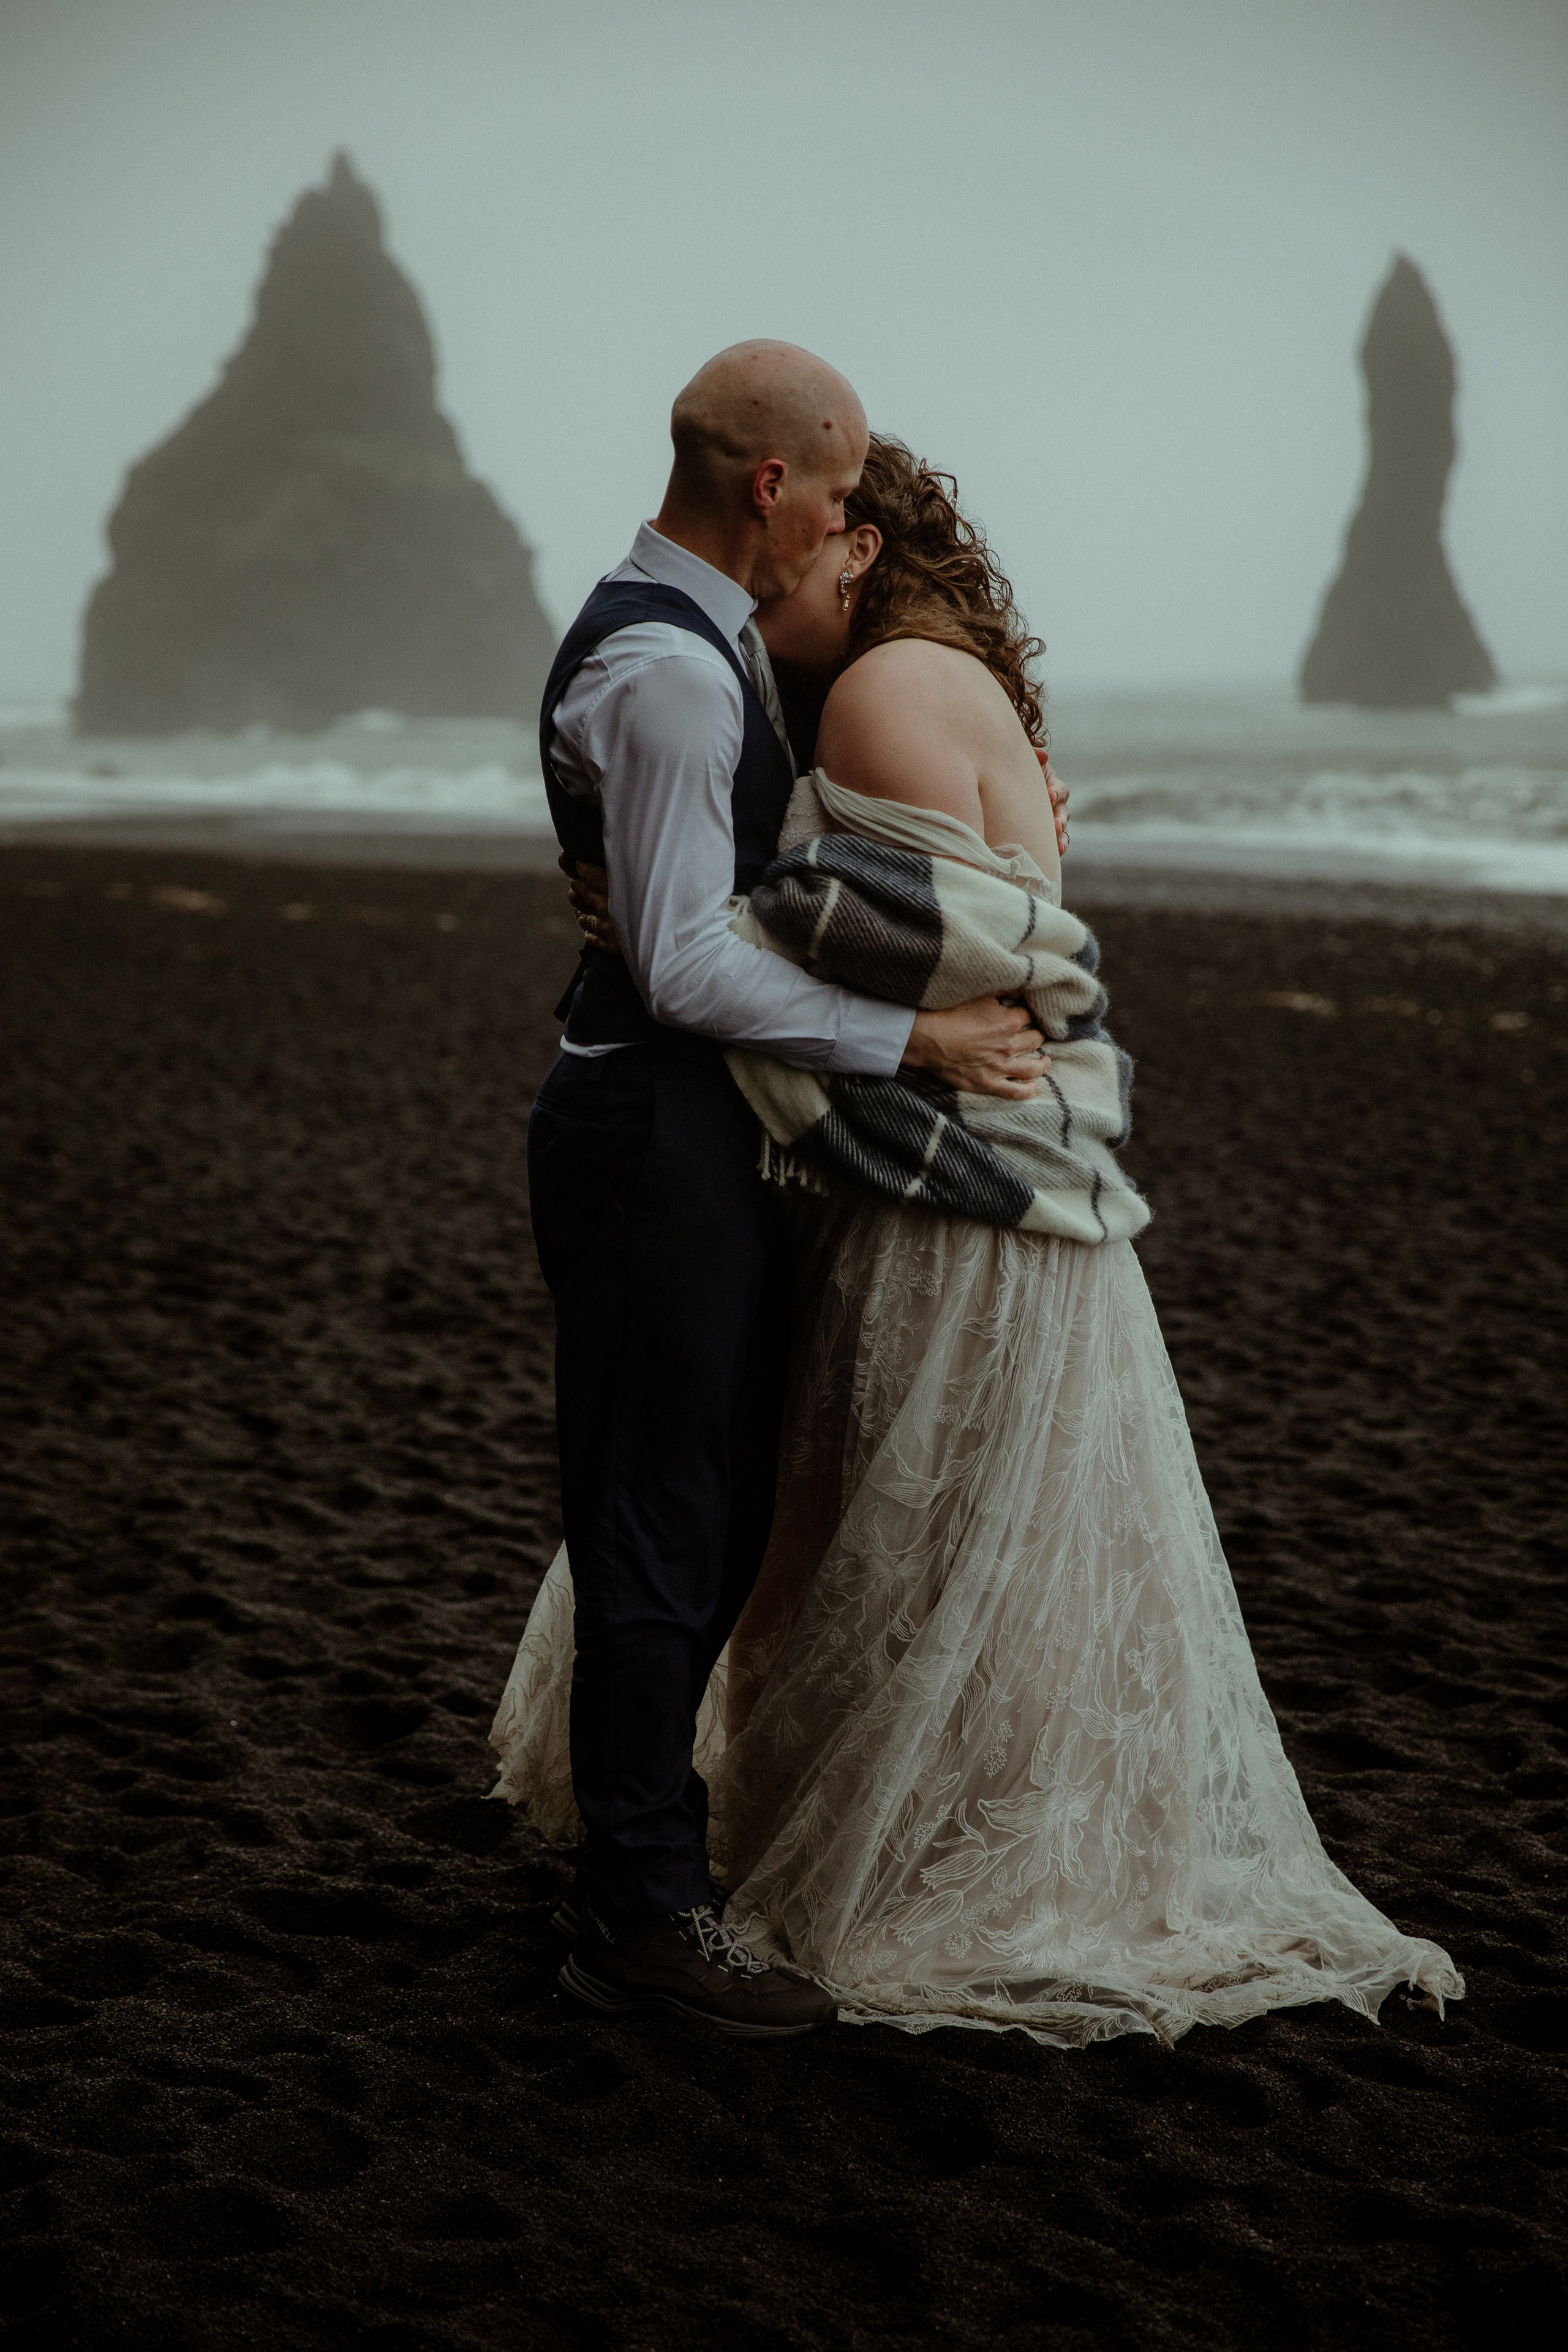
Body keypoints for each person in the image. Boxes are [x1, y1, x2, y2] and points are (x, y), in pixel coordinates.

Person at [497, 432, 1463, 2048]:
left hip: (948, 1184)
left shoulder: (877, 695)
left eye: (790, 580)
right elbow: (935, 913)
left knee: (894, 1536)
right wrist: (699, 905)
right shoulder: (898, 685)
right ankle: (730, 1862)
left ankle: (816, 1860)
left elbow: (903, 946)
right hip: (972, 1173)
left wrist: (693, 921)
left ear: (856, 548)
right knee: (910, 1534)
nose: (763, 614)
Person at [514, 346, 1063, 2038]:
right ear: (772, 487)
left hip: (691, 1124)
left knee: (712, 1505)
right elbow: (684, 968)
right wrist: (919, 1035)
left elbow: (713, 897)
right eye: (836, 494)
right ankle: (641, 1912)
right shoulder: (676, 674)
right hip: (648, 1128)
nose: (850, 527)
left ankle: (646, 1860)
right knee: (659, 1514)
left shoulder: (697, 643)